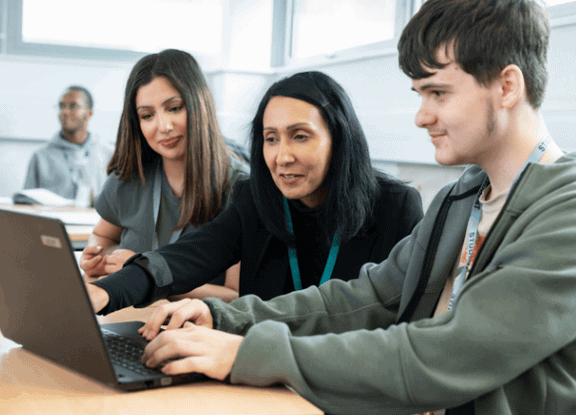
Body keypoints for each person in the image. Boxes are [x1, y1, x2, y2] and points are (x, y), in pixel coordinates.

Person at [105, 1, 576, 414]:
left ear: (507, 86)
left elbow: (446, 353)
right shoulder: (464, 197)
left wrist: (246, 353)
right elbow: (370, 296)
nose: (421, 115)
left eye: (438, 93)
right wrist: (226, 319)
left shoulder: (565, 211)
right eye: (420, 95)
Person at [86, 70, 423, 311]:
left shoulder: (395, 206)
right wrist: (107, 292)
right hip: (260, 375)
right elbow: (187, 257)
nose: (282, 156)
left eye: (300, 136)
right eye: (271, 138)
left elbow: (400, 321)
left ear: (339, 138)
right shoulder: (257, 198)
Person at [80, 49, 249, 302]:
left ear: (198, 105)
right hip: (130, 317)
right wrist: (98, 256)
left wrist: (144, 274)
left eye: (174, 108)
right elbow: (104, 235)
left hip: (192, 331)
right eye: (147, 115)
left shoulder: (240, 187)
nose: (163, 126)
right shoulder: (130, 176)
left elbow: (236, 297)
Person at [23, 85, 112, 204]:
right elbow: (26, 204)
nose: (65, 111)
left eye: (73, 106)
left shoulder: (109, 154)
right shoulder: (41, 157)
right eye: (61, 106)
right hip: (54, 221)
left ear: (88, 113)